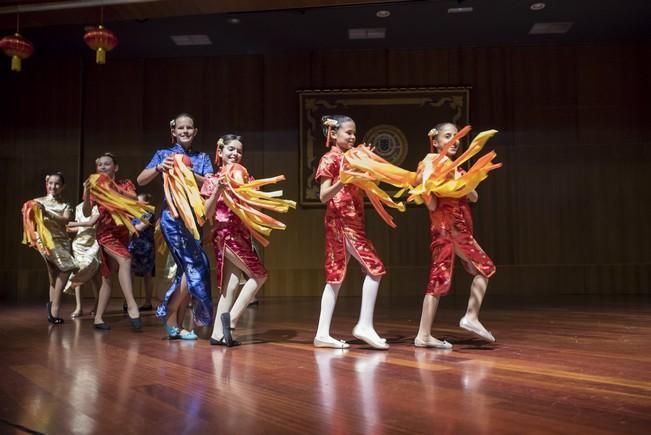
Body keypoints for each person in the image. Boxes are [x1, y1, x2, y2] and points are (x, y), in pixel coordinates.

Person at [414, 123, 497, 348]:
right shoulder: (432, 163)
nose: (455, 140)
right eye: (448, 136)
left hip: (449, 228)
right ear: (436, 141)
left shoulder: (453, 166)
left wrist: (463, 182)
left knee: (438, 278)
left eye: (457, 136)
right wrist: (427, 189)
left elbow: (474, 196)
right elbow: (431, 204)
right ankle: (470, 316)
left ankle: (423, 334)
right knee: (485, 268)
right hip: (451, 228)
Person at [313, 115, 389, 350]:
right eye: (348, 132)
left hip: (353, 221)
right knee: (375, 268)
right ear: (333, 134)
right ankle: (364, 325)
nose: (353, 137)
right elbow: (324, 195)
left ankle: (322, 334)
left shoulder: (353, 158)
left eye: (355, 133)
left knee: (335, 276)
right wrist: (343, 181)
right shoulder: (330, 159)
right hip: (341, 222)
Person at [137, 113, 214, 340]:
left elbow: (210, 183)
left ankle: (176, 325)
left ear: (195, 131)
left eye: (189, 128)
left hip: (194, 221)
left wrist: (191, 174)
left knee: (186, 269)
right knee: (196, 266)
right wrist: (160, 167)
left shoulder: (202, 158)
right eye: (181, 128)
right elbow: (141, 179)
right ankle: (168, 312)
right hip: (173, 220)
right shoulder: (163, 154)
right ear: (173, 131)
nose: (185, 131)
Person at [202, 135, 268, 347]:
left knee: (229, 287)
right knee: (259, 275)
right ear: (220, 151)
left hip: (242, 235)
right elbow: (205, 214)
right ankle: (231, 321)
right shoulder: (212, 180)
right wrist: (219, 190)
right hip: (226, 234)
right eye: (231, 149)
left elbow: (256, 211)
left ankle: (216, 334)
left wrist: (250, 195)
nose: (235, 154)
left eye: (239, 151)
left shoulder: (246, 178)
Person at [83, 153, 142, 331]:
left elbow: (133, 199)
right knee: (125, 259)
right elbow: (87, 213)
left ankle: (98, 318)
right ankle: (132, 305)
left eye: (106, 164)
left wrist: (113, 188)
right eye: (99, 165)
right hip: (106, 233)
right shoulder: (95, 187)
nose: (102, 167)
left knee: (107, 277)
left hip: (123, 233)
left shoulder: (126, 183)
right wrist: (86, 193)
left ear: (115, 167)